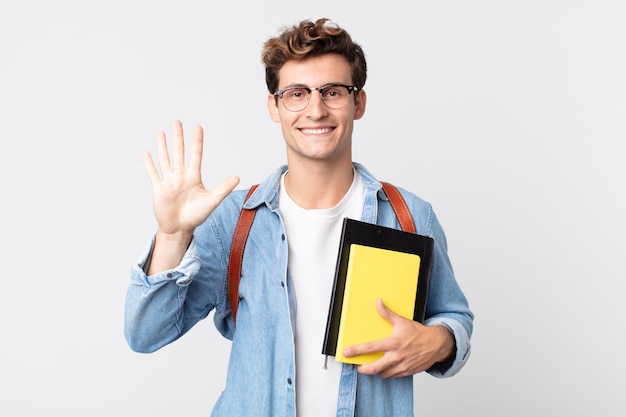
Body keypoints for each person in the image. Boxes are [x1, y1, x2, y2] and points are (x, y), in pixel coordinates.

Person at [124, 17, 473, 417]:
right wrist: (172, 234)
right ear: (274, 106)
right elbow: (144, 334)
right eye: (296, 93)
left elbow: (454, 316)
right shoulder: (236, 222)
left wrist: (440, 342)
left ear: (358, 102)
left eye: (333, 92)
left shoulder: (409, 215)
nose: (316, 109)